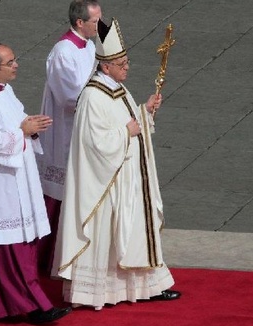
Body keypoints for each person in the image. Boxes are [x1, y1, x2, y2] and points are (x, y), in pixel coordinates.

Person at [52, 18, 180, 310]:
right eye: (121, 63)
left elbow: (129, 122)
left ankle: (148, 287)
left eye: (127, 61)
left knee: (133, 230)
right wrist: (127, 132)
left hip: (128, 178)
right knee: (107, 236)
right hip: (105, 183)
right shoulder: (93, 96)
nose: (127, 67)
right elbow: (93, 143)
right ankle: (93, 293)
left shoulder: (118, 89)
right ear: (105, 66)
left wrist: (145, 112)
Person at [0, 43, 71, 324]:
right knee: (9, 251)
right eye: (10, 62)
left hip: (16, 180)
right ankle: (34, 307)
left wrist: (29, 125)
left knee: (14, 248)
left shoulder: (4, 91)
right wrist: (23, 131)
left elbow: (16, 120)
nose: (16, 65)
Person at [36, 0, 102, 274]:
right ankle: (47, 259)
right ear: (79, 23)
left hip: (86, 127)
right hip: (66, 130)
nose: (101, 25)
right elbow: (70, 98)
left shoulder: (89, 45)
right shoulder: (63, 52)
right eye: (96, 21)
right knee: (59, 195)